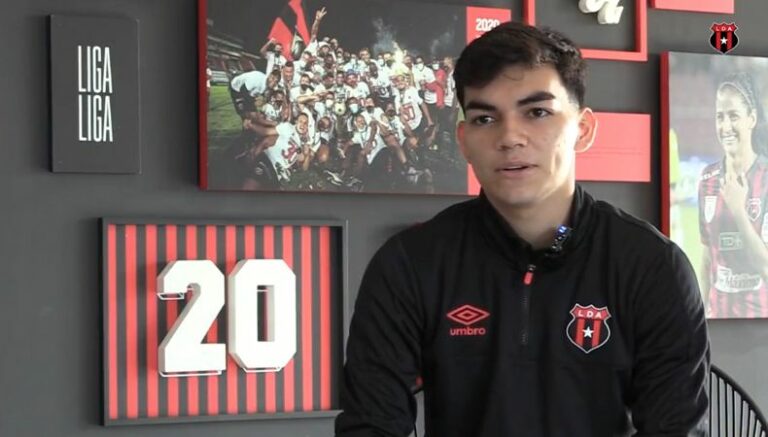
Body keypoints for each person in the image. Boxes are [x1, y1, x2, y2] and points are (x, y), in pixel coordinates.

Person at [334, 21, 709, 436]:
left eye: (537, 112)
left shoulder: (651, 266)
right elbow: (370, 425)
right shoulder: (410, 263)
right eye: (485, 119)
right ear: (463, 140)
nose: (510, 137)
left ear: (582, 130)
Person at [698, 71, 768, 318]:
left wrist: (738, 211)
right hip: (717, 319)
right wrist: (701, 316)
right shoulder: (707, 179)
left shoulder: (765, 179)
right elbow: (707, 260)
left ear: (752, 118)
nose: (725, 126)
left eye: (733, 116)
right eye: (720, 117)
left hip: (758, 323)